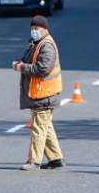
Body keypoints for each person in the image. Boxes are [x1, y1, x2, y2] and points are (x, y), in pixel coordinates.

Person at [12, 15, 64, 170]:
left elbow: (43, 68)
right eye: (32, 28)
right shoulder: (36, 43)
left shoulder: (46, 46)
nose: (34, 31)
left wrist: (22, 68)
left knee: (38, 127)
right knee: (45, 126)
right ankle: (56, 159)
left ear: (44, 29)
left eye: (36, 29)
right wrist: (21, 63)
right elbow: (30, 61)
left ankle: (34, 161)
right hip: (40, 93)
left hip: (45, 94)